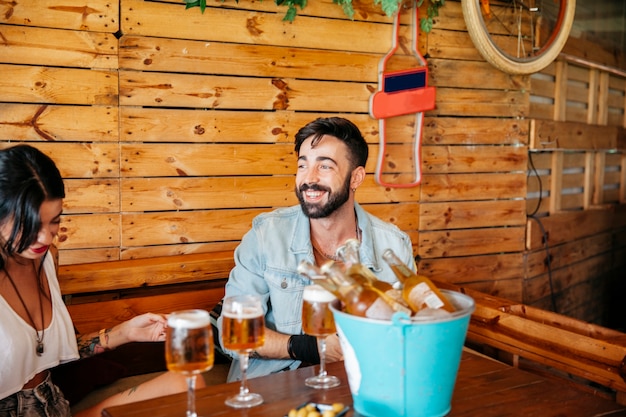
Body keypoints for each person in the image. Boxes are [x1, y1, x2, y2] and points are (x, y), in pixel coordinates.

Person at [0, 144, 200, 417]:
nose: (45, 238)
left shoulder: (46, 259)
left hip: (55, 407)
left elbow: (50, 353)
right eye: (30, 225)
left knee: (187, 382)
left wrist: (126, 332)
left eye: (54, 222)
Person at [216, 117, 416, 382]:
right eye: (303, 165)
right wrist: (310, 347)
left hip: (365, 381)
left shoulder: (394, 245)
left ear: (355, 177)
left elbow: (410, 332)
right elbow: (233, 332)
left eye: (324, 166)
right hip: (273, 386)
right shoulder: (266, 235)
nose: (309, 179)